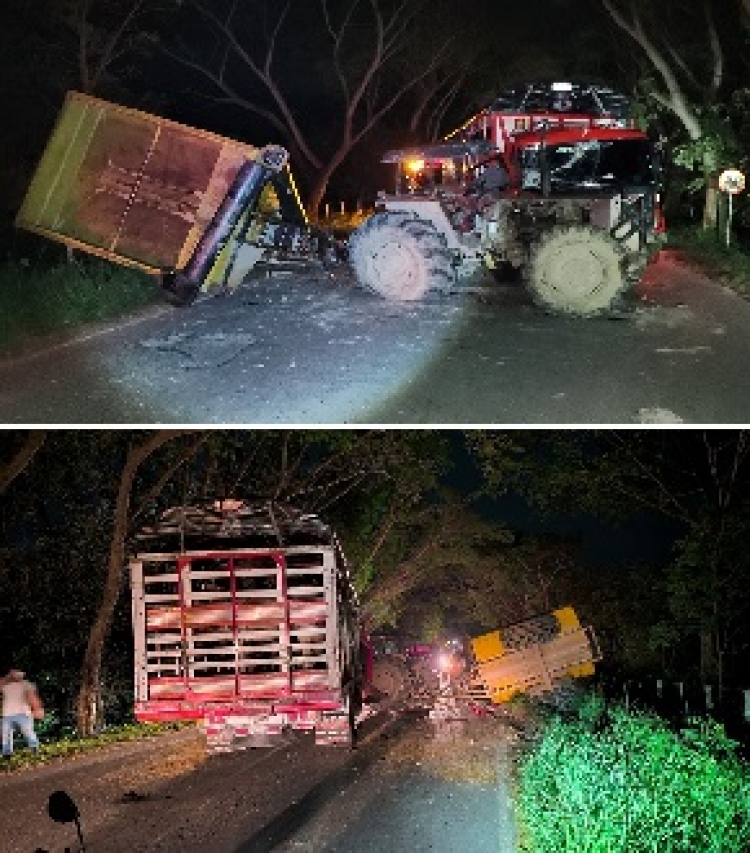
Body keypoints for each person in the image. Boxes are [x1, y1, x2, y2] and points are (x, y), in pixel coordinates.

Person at [1, 668, 42, 757]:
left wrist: (37, 708)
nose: (17, 674)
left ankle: (35, 750)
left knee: (28, 732)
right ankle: (6, 754)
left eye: (19, 673)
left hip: (23, 713)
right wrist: (8, 676)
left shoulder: (26, 684)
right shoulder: (5, 685)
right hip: (6, 715)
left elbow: (32, 697)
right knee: (5, 735)